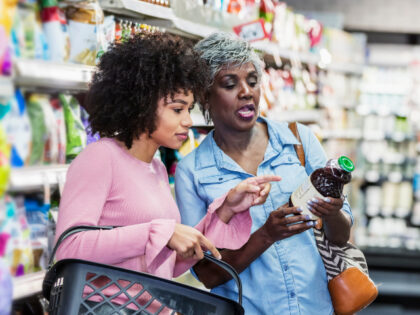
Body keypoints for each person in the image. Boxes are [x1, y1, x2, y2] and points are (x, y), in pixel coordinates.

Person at [54, 32, 281, 313]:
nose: (187, 121)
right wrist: (159, 231)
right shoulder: (100, 158)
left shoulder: (157, 167)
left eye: (189, 109)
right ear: (142, 104)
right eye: (177, 109)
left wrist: (226, 210)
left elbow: (167, 263)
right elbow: (69, 249)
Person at [175, 32, 353, 315]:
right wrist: (266, 235)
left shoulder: (299, 142)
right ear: (205, 96)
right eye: (230, 84)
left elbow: (341, 236)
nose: (246, 91)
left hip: (316, 307)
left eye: (253, 81)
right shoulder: (192, 172)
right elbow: (207, 274)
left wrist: (332, 213)